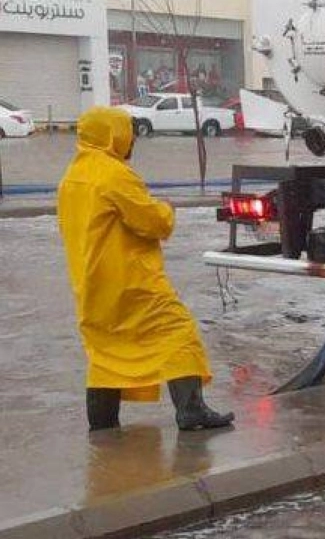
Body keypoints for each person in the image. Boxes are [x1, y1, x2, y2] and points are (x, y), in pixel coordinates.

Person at [58, 107, 234, 433]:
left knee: (104, 352)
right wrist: (166, 209)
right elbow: (152, 222)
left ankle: (102, 425)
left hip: (91, 286)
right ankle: (191, 410)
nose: (131, 142)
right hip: (132, 284)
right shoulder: (113, 174)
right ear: (113, 136)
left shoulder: (71, 177)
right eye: (128, 134)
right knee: (178, 333)